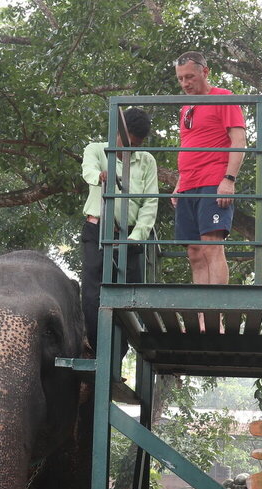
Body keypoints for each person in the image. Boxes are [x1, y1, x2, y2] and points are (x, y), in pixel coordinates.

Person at [80, 107, 159, 348]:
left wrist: (135, 239)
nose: (129, 148)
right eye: (126, 142)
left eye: (135, 144)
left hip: (130, 237)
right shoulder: (96, 150)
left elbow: (150, 203)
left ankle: (116, 357)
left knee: (128, 301)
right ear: (117, 132)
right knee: (93, 295)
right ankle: (94, 350)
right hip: (97, 232)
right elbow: (89, 171)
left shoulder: (146, 160)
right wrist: (101, 176)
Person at [172, 50, 246, 285]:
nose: (185, 83)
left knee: (211, 246)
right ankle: (203, 319)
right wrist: (178, 184)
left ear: (205, 72)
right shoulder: (186, 108)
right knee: (194, 252)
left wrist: (229, 179)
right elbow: (188, 146)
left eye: (190, 77)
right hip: (188, 185)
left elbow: (239, 141)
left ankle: (217, 318)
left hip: (213, 182)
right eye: (181, 78)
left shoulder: (223, 97)